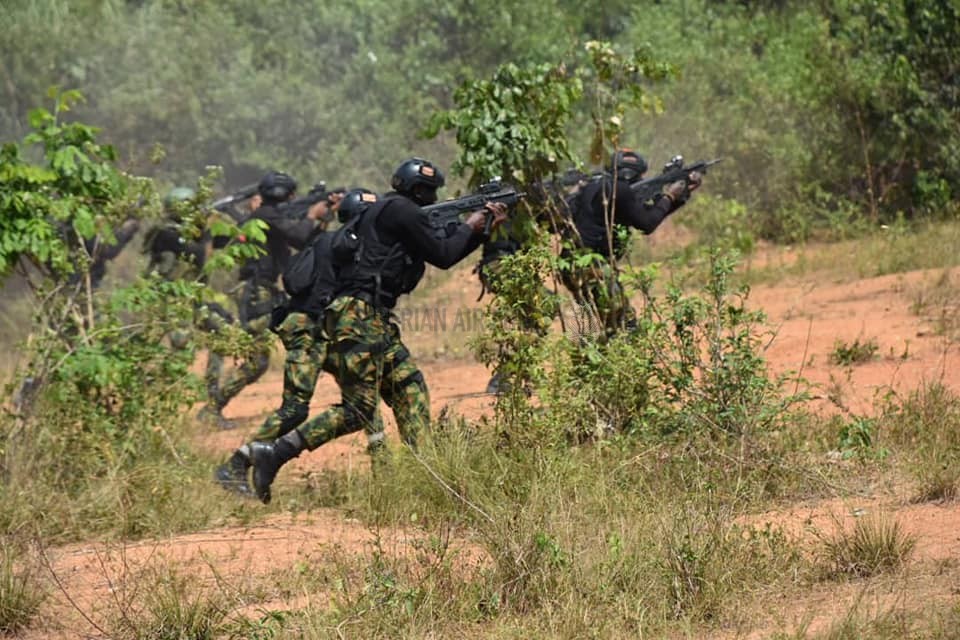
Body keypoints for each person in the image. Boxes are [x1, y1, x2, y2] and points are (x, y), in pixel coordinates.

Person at [242, 157, 508, 503]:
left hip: (370, 318)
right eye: (430, 192)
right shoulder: (400, 210)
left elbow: (445, 249)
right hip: (359, 317)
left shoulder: (386, 211)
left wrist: (479, 226)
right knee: (358, 410)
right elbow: (444, 254)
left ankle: (424, 475)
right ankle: (274, 453)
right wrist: (475, 224)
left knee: (410, 388)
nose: (432, 199)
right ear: (418, 190)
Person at [215, 188, 376, 495]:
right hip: (308, 329)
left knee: (362, 403)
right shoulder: (342, 243)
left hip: (321, 331)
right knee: (294, 410)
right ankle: (235, 464)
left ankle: (384, 472)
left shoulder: (337, 240)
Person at [201, 171, 333, 425]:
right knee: (258, 359)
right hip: (257, 292)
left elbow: (306, 242)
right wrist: (311, 214)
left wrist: (322, 218)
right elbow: (297, 235)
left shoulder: (268, 215)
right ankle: (212, 407)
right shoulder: (265, 215)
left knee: (292, 342)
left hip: (267, 290)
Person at [561, 149, 702, 338]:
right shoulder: (620, 189)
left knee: (604, 327)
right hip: (592, 266)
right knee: (626, 328)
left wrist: (678, 197)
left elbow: (645, 215)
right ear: (630, 174)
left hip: (572, 264)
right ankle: (615, 362)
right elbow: (647, 224)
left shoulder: (595, 184)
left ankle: (593, 360)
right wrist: (669, 196)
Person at [143, 187, 236, 427]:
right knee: (178, 349)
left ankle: (212, 404)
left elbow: (228, 239)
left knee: (221, 333)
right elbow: (191, 251)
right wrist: (205, 228)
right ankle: (147, 402)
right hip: (170, 302)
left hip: (191, 300)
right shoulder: (165, 235)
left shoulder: (193, 232)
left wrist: (225, 216)